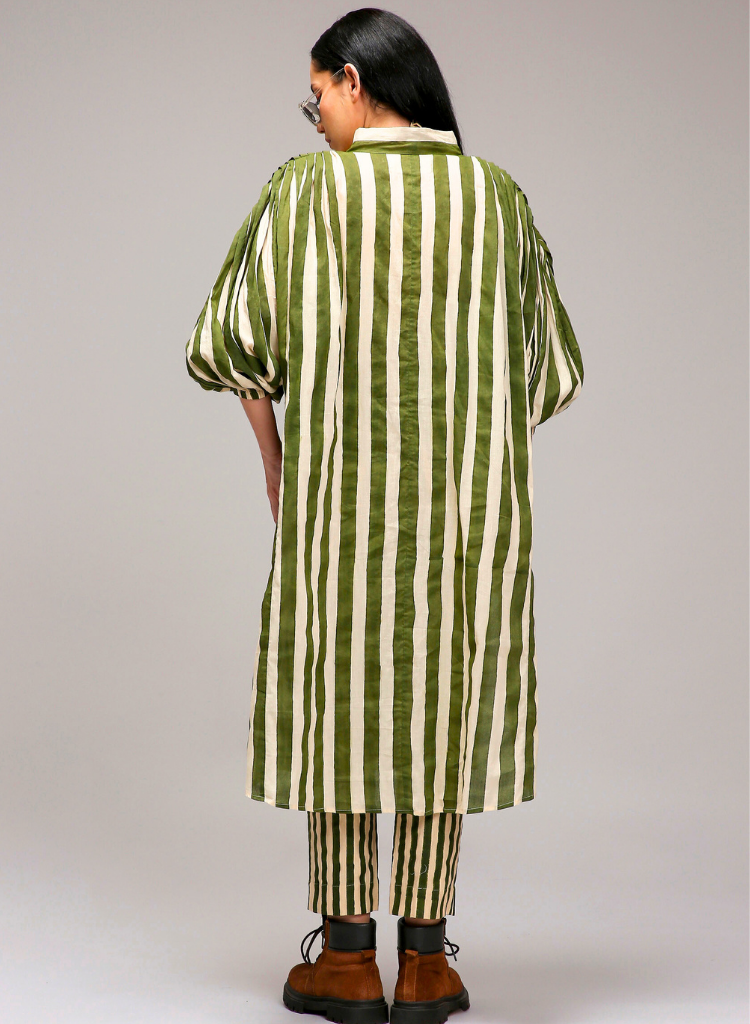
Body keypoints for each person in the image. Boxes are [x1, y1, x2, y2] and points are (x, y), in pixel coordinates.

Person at [185, 9, 584, 1023]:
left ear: (356, 82)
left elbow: (228, 343)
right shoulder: (497, 197)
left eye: (317, 94)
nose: (316, 115)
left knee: (341, 704)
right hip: (467, 519)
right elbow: (549, 373)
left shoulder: (305, 193)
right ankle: (430, 960)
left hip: (338, 511)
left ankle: (349, 959)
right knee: (440, 705)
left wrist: (279, 468)